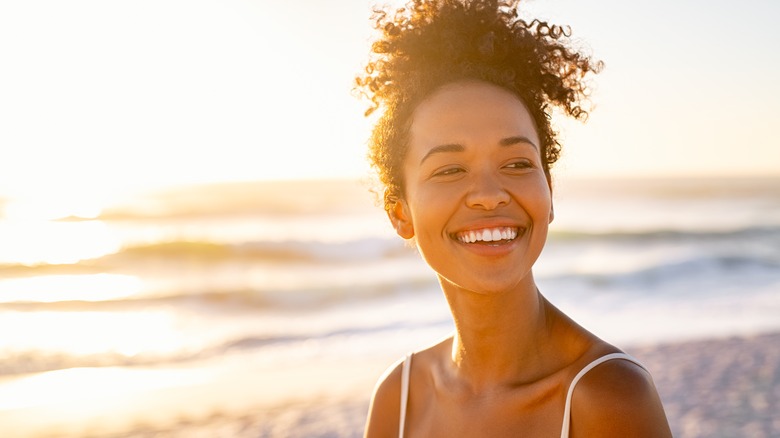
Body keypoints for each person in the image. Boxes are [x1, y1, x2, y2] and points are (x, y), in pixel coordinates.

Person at [355, 0, 672, 437]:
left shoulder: (606, 396)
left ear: (550, 192)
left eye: (518, 164)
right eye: (449, 170)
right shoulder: (400, 396)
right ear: (400, 213)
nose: (489, 195)